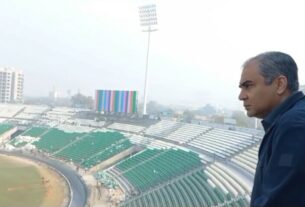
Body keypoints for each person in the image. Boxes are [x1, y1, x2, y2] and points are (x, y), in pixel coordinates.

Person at [238, 51, 305, 207]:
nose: (241, 96)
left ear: (280, 84)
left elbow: (280, 201)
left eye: (248, 86)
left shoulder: (293, 126)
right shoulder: (288, 120)